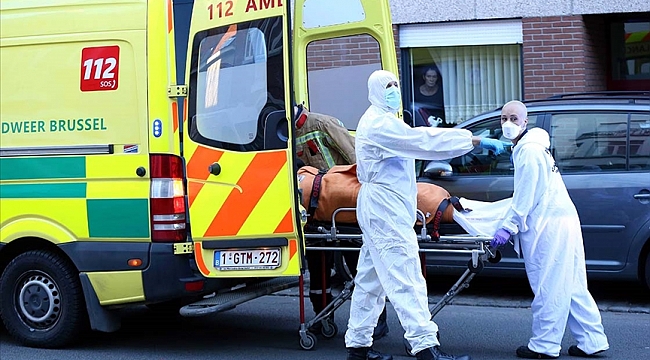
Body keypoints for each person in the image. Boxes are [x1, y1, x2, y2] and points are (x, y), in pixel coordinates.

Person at [344, 69, 504, 360]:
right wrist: (474, 142)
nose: (394, 89)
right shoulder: (379, 125)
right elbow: (423, 140)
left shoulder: (386, 121)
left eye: (396, 84)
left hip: (383, 209)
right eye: (387, 86)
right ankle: (425, 346)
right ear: (375, 91)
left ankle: (358, 346)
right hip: (385, 211)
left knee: (370, 282)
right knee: (407, 278)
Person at [491, 100, 609, 359]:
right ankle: (592, 340)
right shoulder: (532, 147)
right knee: (573, 284)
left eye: (513, 118)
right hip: (563, 220)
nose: (507, 124)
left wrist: (507, 227)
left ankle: (543, 345)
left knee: (549, 285)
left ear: (525, 121)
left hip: (549, 226)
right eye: (503, 118)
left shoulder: (529, 152)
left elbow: (524, 197)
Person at [294, 105, 391, 360]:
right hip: (316, 209)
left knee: (359, 267)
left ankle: (376, 321)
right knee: (318, 267)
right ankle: (322, 315)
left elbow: (355, 157)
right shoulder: (286, 136)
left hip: (346, 205)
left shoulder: (322, 124)